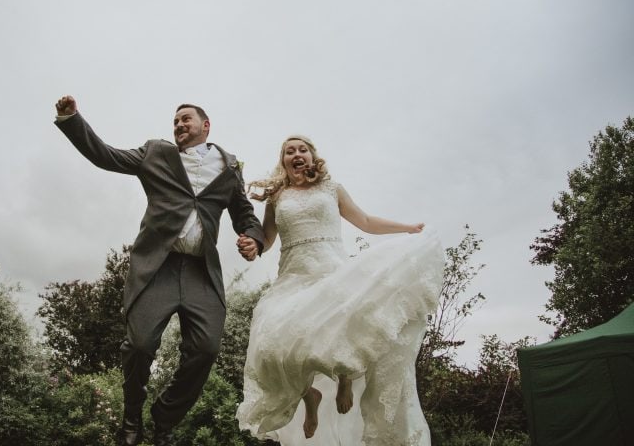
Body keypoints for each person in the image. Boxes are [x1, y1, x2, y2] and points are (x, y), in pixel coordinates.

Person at [54, 96, 265, 446]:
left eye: (186, 119)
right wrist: (72, 119)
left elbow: (244, 214)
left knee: (206, 350)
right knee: (138, 346)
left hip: (201, 271)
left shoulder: (229, 167)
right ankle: (131, 417)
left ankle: (163, 419)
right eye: (175, 121)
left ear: (205, 126)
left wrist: (253, 239)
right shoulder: (155, 153)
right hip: (157, 267)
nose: (179, 125)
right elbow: (106, 155)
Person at [235, 135, 444, 446]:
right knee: (269, 346)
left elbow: (366, 221)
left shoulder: (331, 188)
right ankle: (311, 396)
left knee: (343, 324)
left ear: (312, 156)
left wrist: (407, 228)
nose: (296, 154)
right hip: (293, 275)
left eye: (302, 149)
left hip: (331, 269)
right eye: (289, 151)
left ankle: (345, 378)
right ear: (283, 162)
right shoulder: (277, 197)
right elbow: (267, 238)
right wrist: (254, 245)